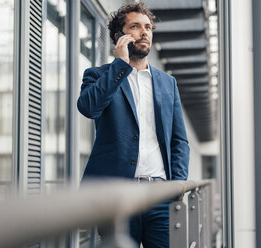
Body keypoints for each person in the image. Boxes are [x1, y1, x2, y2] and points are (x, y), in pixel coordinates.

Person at [77, 2, 189, 247]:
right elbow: (89, 107)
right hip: (117, 194)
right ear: (120, 36)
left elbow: (178, 139)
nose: (144, 32)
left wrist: (178, 183)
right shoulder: (98, 75)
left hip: (159, 195)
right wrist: (120, 65)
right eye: (135, 26)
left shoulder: (167, 83)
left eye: (148, 27)